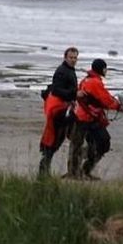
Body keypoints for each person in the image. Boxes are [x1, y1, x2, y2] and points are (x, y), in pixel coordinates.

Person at [70, 59, 122, 180]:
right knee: (104, 144)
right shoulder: (95, 82)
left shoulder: (86, 80)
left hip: (82, 116)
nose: (106, 71)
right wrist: (118, 105)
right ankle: (84, 167)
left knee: (88, 143)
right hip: (89, 118)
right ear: (101, 69)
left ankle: (79, 169)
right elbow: (106, 100)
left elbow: (101, 97)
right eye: (105, 68)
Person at [38, 47, 84, 177]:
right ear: (65, 57)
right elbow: (56, 90)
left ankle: (71, 169)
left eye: (75, 58)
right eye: (71, 57)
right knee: (54, 141)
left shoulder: (68, 70)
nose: (73, 60)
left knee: (60, 140)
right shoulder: (62, 71)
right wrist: (75, 93)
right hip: (59, 111)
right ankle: (44, 171)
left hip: (64, 109)